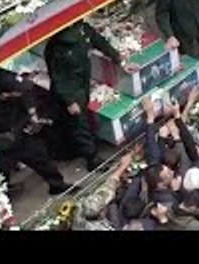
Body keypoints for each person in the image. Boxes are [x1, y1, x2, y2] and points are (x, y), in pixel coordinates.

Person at [44, 21, 135, 170]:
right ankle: (92, 159)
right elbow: (58, 77)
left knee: (78, 123)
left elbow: (100, 43)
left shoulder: (83, 29)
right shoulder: (56, 48)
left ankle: (74, 149)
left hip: (81, 82)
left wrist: (119, 60)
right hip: (70, 89)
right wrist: (69, 100)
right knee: (80, 125)